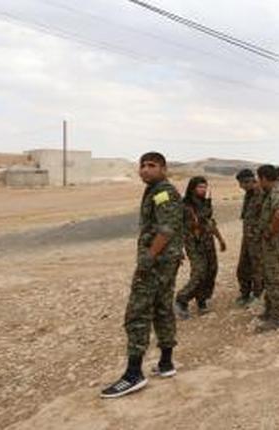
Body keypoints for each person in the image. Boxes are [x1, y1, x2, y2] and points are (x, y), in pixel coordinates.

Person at [100, 152, 184, 398]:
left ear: (164, 168)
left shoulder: (163, 192)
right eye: (142, 166)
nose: (145, 170)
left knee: (137, 313)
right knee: (162, 308)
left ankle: (133, 374)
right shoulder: (155, 189)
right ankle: (166, 363)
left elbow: (166, 229)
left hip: (156, 263)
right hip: (165, 261)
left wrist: (148, 258)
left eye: (152, 165)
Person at [174, 176, 226, 319]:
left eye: (205, 187)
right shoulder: (185, 206)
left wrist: (220, 239)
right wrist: (179, 249)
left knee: (211, 271)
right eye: (200, 187)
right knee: (199, 272)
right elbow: (176, 229)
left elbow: (210, 223)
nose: (203, 190)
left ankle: (202, 301)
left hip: (208, 242)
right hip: (194, 244)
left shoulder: (205, 204)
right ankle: (181, 300)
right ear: (192, 188)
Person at [254, 164, 279, 332]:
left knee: (275, 279)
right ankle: (270, 311)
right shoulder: (273, 193)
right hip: (272, 244)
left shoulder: (277, 193)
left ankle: (278, 318)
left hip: (275, 243)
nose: (258, 182)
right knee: (269, 277)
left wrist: (270, 232)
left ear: (263, 178)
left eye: (258, 179)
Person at [235, 168, 264, 306]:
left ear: (249, 181)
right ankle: (245, 293)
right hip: (247, 237)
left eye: (242, 183)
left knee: (257, 268)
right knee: (243, 267)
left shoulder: (261, 194)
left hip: (258, 239)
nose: (241, 187)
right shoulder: (249, 194)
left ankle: (258, 296)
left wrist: (260, 234)